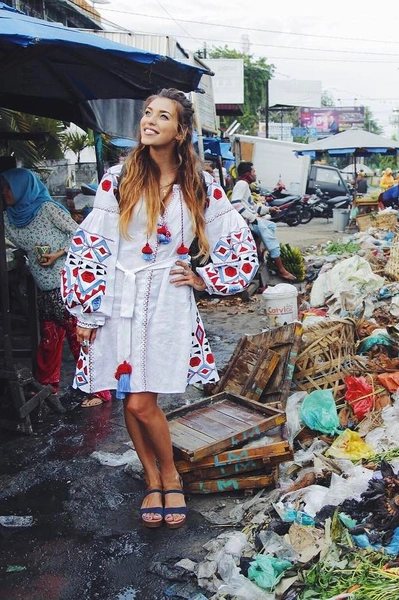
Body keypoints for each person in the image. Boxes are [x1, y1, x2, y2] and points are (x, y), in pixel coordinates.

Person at [62, 88, 259, 529]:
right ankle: (159, 477)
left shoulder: (201, 184)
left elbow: (238, 242)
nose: (149, 120)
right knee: (132, 399)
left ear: (181, 130)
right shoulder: (118, 177)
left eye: (162, 115)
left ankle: (166, 474)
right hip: (117, 297)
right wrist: (87, 310)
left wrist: (204, 276)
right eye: (147, 113)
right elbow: (94, 245)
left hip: (167, 300)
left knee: (140, 400)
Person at [1, 169, 111, 408]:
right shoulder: (9, 218)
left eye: (8, 187)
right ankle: (48, 384)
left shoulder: (47, 209)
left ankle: (99, 390)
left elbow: (82, 234)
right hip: (43, 285)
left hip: (67, 282)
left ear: (22, 187)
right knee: (50, 337)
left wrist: (58, 253)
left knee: (78, 335)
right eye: (3, 187)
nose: (4, 192)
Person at [230, 161, 296, 281]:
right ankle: (282, 270)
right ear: (247, 174)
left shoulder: (245, 186)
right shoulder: (242, 185)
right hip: (248, 222)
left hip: (252, 220)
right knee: (273, 243)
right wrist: (252, 218)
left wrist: (269, 209)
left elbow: (252, 206)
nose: (255, 174)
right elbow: (235, 204)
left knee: (270, 226)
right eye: (253, 172)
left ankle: (258, 251)